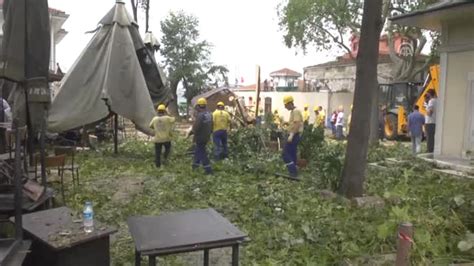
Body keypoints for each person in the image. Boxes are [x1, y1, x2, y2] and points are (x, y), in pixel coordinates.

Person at [189, 98, 213, 174]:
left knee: (202, 151)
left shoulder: (200, 115)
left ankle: (208, 169)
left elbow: (196, 127)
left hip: (200, 137)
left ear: (199, 106)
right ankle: (195, 166)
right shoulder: (209, 114)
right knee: (198, 150)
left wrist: (191, 133)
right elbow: (212, 125)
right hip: (206, 136)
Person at [282, 95, 303, 178]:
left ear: (290, 103)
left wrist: (291, 135)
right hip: (295, 134)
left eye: (285, 105)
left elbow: (297, 124)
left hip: (294, 135)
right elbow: (294, 123)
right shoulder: (293, 112)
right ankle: (294, 172)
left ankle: (292, 171)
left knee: (285, 154)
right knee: (292, 153)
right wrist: (287, 123)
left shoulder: (296, 111)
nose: (285, 107)